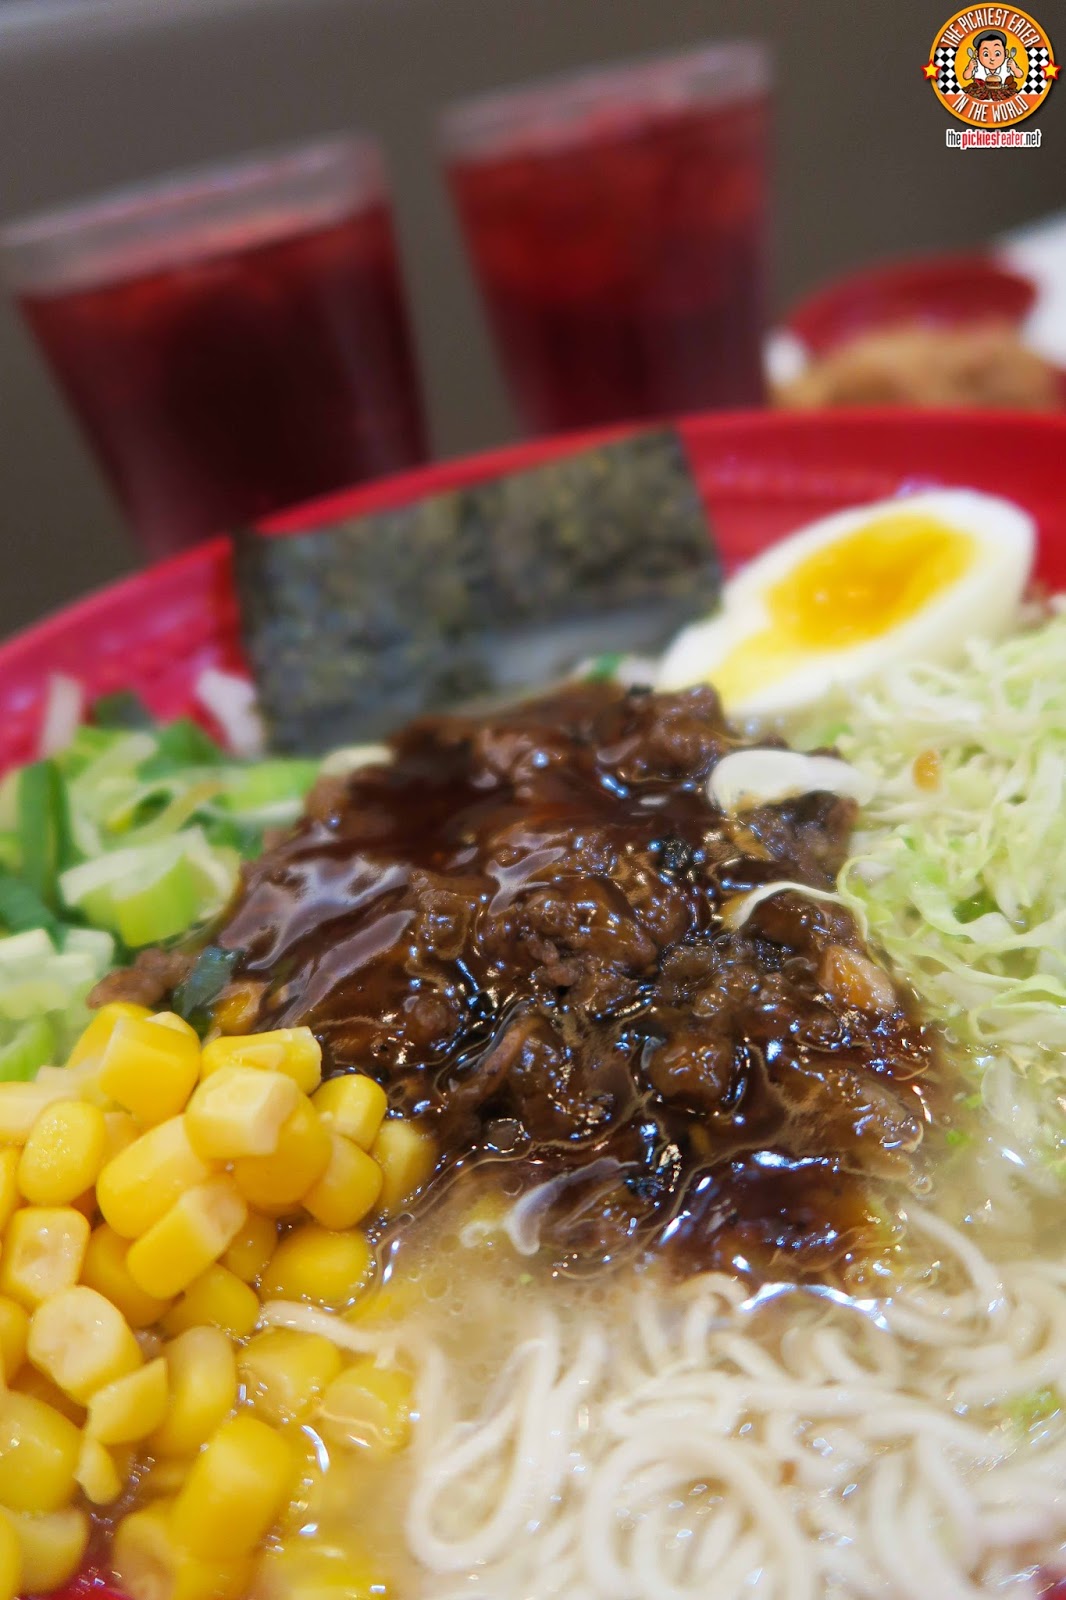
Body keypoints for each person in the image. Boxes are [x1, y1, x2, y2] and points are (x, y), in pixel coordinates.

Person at [963, 29, 1025, 97]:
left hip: (1003, 94)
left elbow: (1020, 75)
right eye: (986, 54)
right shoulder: (975, 63)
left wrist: (1015, 68)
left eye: (997, 54)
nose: (992, 58)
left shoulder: (1008, 63)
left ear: (1006, 53)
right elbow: (966, 77)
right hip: (980, 95)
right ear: (977, 54)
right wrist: (970, 69)